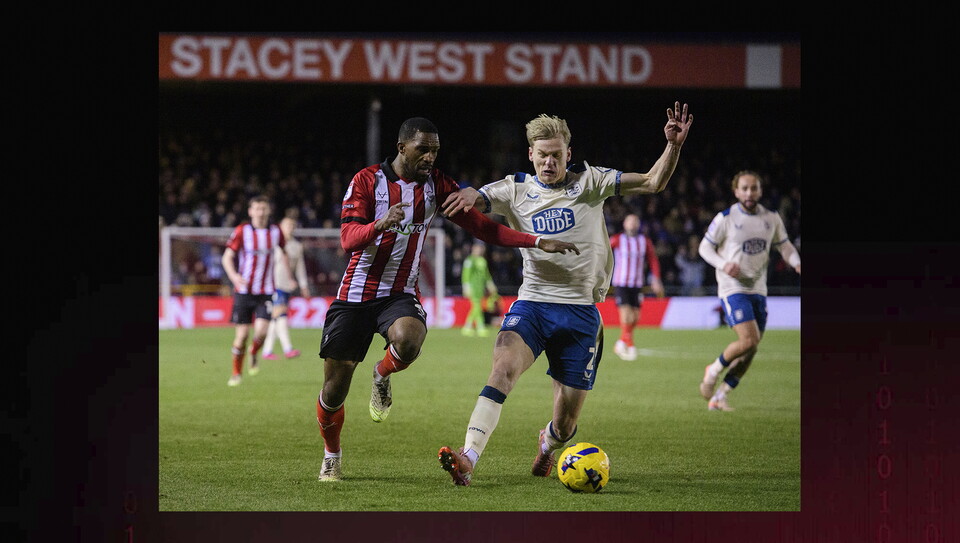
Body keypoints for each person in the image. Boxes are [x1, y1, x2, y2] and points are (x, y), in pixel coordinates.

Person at [436, 102, 693, 486]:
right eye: (542, 156)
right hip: (533, 303)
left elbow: (654, 181)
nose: (549, 163)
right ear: (530, 154)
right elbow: (477, 199)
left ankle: (547, 445)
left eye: (557, 155)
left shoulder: (591, 183)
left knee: (566, 421)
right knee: (502, 369)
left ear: (568, 154)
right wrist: (470, 194)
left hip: (581, 312)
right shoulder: (515, 189)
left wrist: (672, 146)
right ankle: (469, 456)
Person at [314, 117, 579, 481]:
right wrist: (379, 224)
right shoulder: (366, 181)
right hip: (356, 294)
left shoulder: (437, 185)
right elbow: (347, 239)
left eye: (435, 151)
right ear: (401, 147)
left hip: (400, 293)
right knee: (333, 392)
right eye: (423, 149)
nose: (430, 157)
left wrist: (534, 240)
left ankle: (381, 373)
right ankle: (332, 453)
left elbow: (483, 227)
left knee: (409, 340)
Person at [697, 170, 801, 411]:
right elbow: (704, 248)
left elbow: (784, 246)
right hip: (732, 287)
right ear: (736, 191)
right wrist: (724, 264)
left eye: (754, 188)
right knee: (749, 339)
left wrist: (796, 263)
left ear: (760, 191)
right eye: (744, 188)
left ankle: (721, 395)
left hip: (758, 288)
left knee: (751, 347)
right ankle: (713, 370)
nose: (749, 193)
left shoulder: (771, 218)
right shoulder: (726, 218)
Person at [222, 195, 297, 387]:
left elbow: (284, 252)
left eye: (264, 208)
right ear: (250, 211)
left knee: (261, 333)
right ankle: (236, 373)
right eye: (257, 209)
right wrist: (234, 276)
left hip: (266, 291)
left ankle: (254, 353)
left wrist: (289, 276)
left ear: (268, 210)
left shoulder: (275, 232)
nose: (261, 212)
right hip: (244, 291)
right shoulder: (242, 231)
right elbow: (227, 257)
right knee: (242, 336)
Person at [610, 213, 664, 361]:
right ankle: (629, 343)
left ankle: (622, 341)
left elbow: (653, 260)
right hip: (621, 282)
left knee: (635, 316)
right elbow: (604, 252)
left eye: (635, 221)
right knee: (626, 313)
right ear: (624, 224)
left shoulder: (644, 241)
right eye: (630, 221)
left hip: (637, 283)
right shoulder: (617, 239)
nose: (633, 224)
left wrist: (656, 279)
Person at [262, 216, 311, 360]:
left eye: (292, 225)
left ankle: (267, 350)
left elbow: (300, 267)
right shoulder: (273, 245)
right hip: (273, 285)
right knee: (280, 316)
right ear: (281, 227)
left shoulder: (297, 246)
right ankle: (287, 348)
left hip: (286, 286)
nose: (289, 228)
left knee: (275, 318)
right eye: (287, 225)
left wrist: (303, 285)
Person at [460, 241, 499, 337]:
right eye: (478, 248)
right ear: (473, 248)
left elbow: (486, 275)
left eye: (481, 248)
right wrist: (466, 287)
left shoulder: (482, 261)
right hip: (472, 287)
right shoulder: (470, 260)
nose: (480, 250)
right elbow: (466, 274)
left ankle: (467, 327)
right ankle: (479, 327)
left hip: (480, 288)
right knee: (477, 306)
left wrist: (490, 284)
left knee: (476, 307)